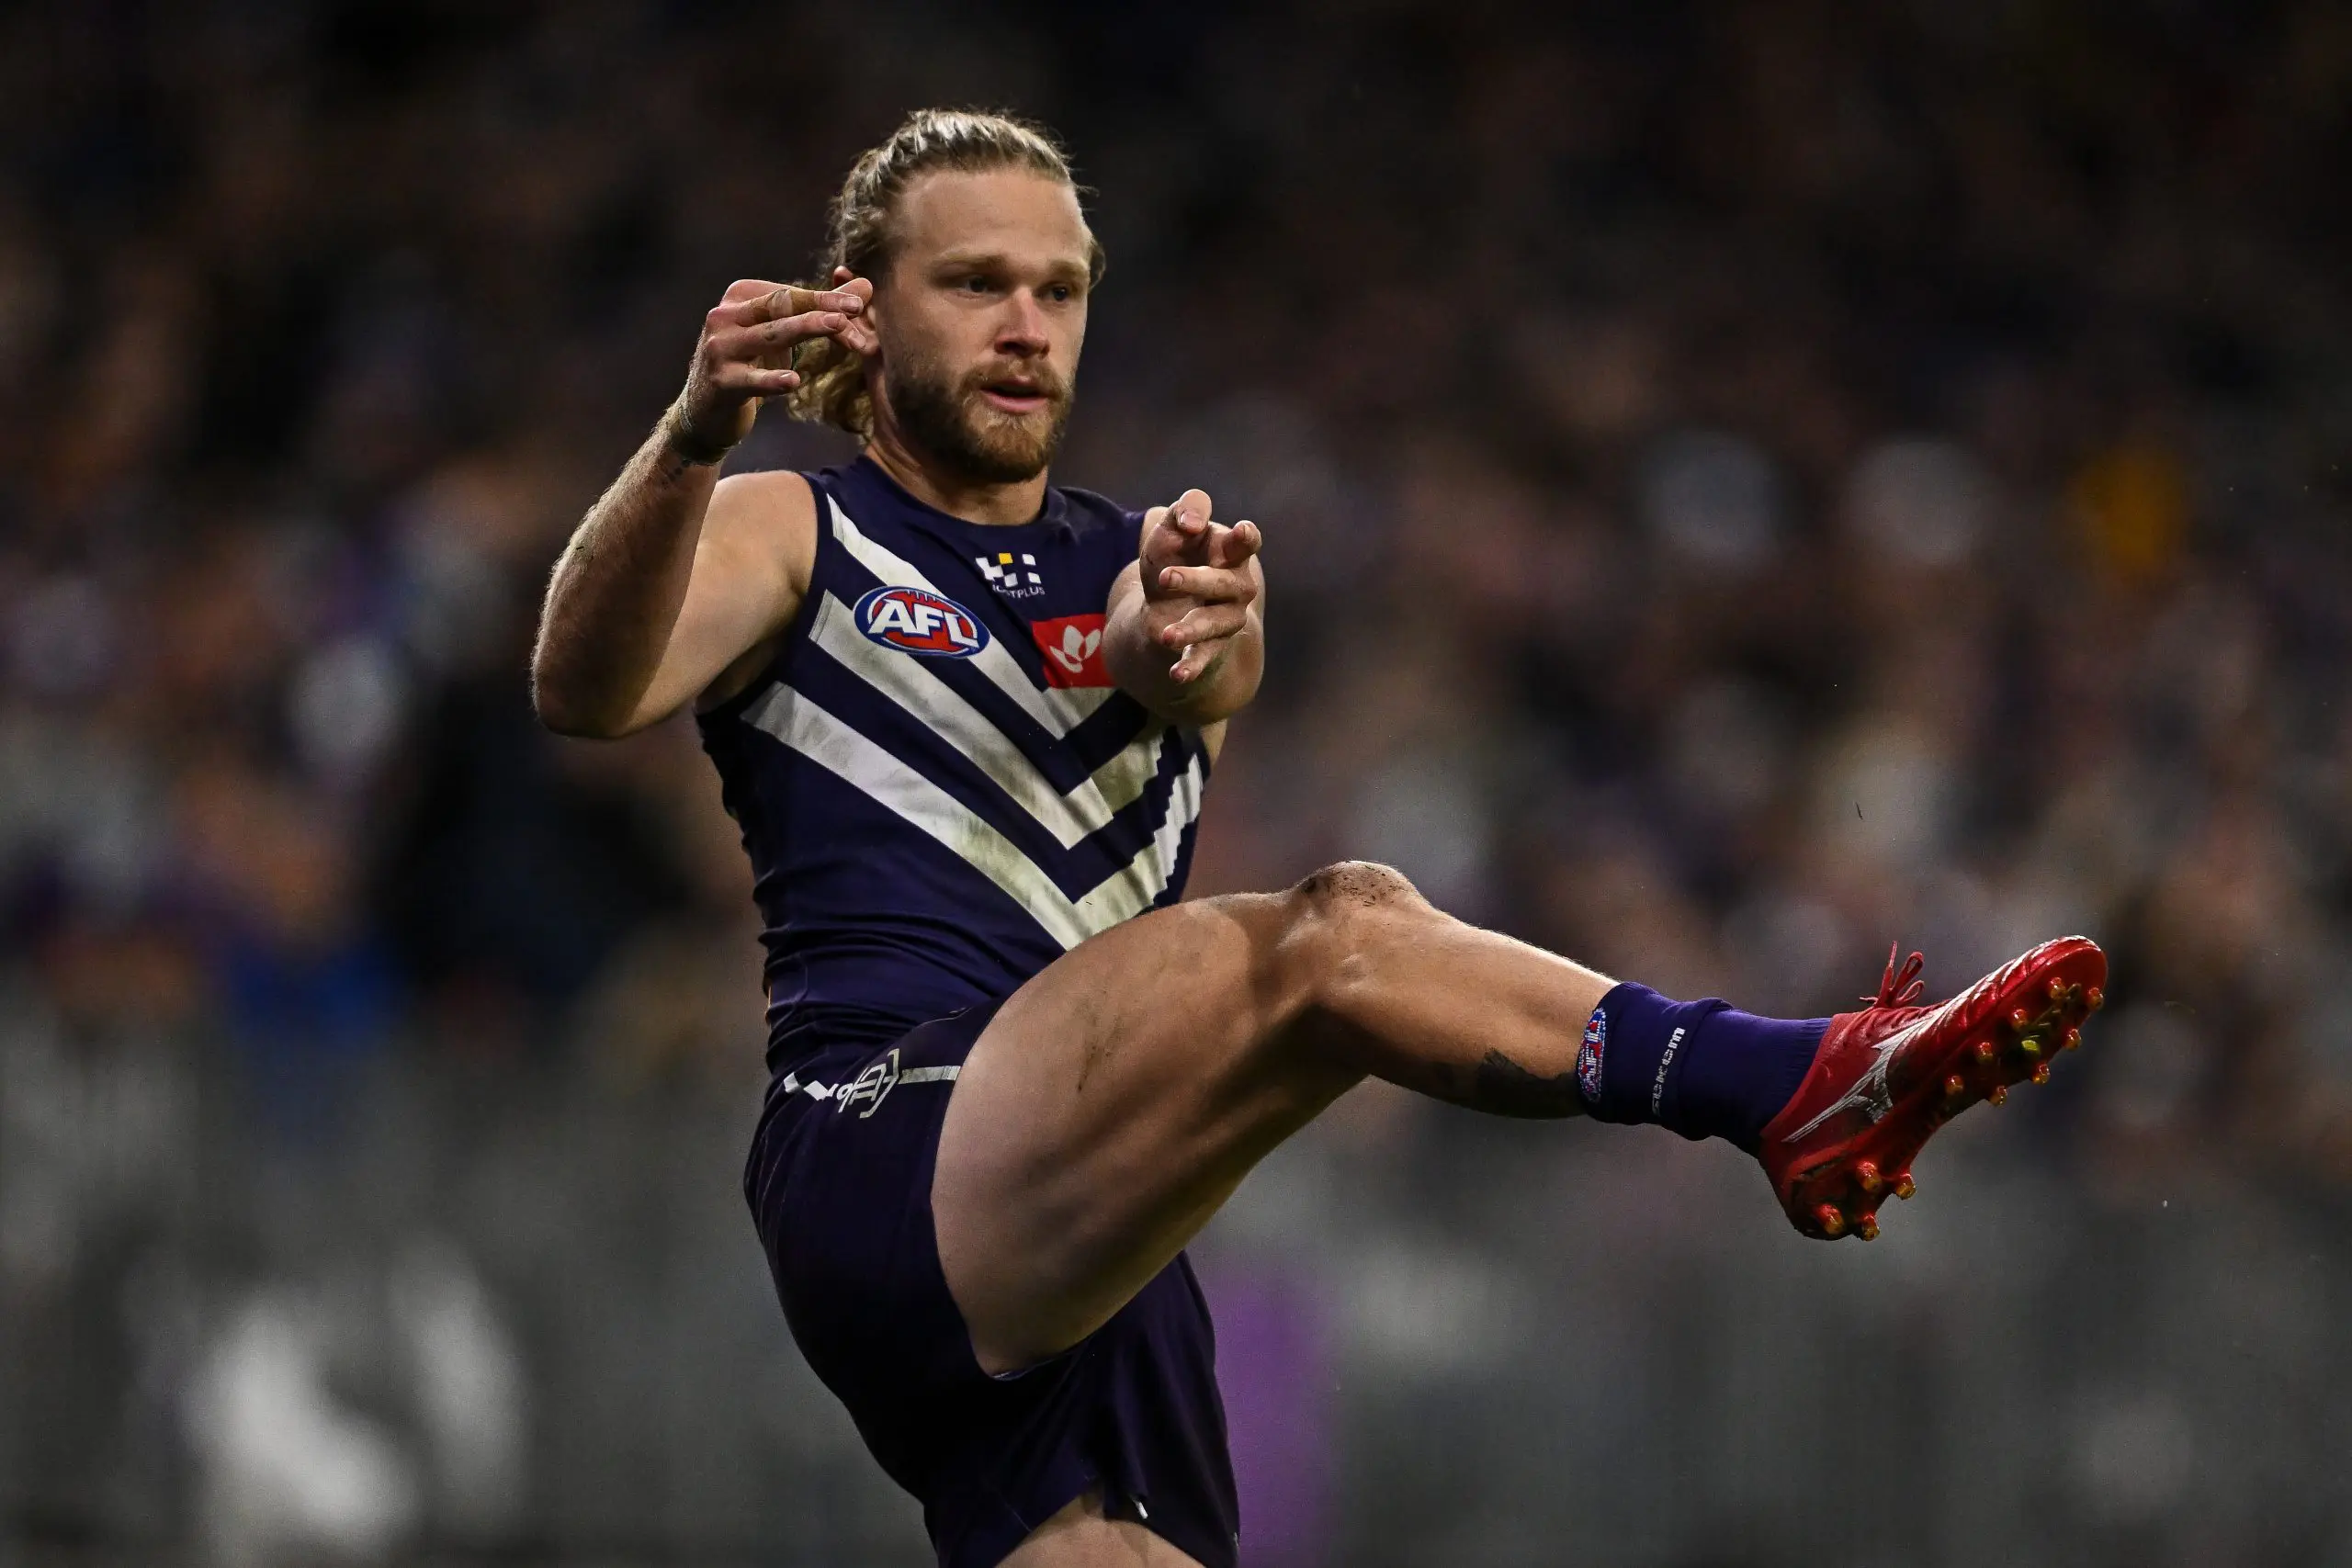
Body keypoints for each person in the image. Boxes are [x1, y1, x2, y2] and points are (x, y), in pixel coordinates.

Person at [529, 108, 2108, 1568]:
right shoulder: (793, 523)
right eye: (976, 283)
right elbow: (584, 688)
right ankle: (1785, 1079)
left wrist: (1182, 633)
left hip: (1093, 1215)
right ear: (862, 310)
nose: (1026, 326)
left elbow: (1170, 654)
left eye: (1059, 290)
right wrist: (690, 438)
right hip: (892, 1140)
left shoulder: (1154, 562)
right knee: (1340, 928)